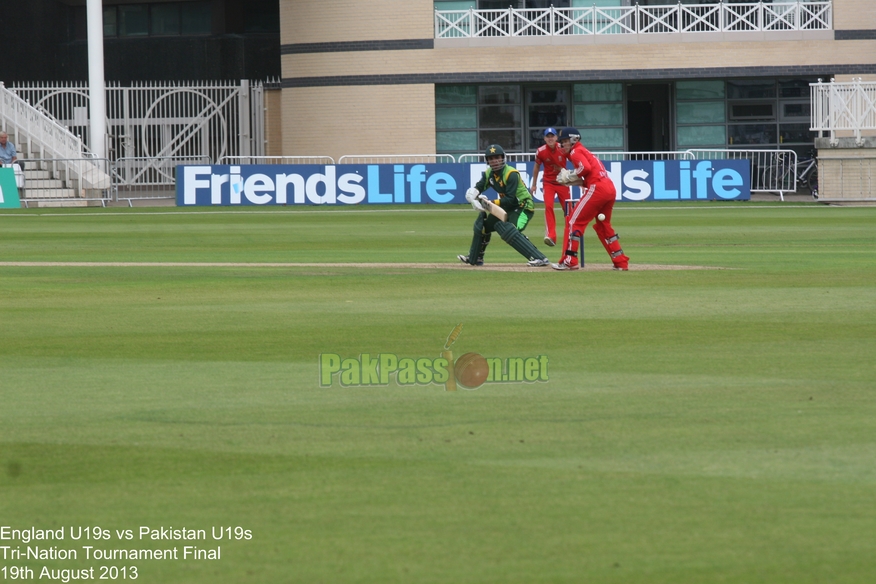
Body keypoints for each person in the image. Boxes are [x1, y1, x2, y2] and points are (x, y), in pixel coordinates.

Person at [458, 144, 550, 267]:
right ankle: (475, 257)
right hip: (507, 207)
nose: (495, 161)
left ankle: (539, 258)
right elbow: (478, 187)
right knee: (482, 225)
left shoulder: (511, 174)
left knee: (508, 229)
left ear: (503, 158)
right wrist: (471, 196)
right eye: (491, 158)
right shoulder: (489, 174)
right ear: (487, 161)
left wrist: (490, 203)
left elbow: (511, 199)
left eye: (497, 157)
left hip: (523, 206)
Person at [553, 127, 629, 271]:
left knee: (574, 221)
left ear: (574, 139)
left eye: (564, 141)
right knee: (603, 225)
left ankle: (570, 260)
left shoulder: (576, 152)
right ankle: (620, 261)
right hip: (609, 189)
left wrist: (570, 175)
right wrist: (578, 181)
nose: (562, 145)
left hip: (597, 189)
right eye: (561, 142)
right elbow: (590, 173)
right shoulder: (585, 151)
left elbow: (585, 168)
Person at [529, 127, 570, 248]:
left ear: (557, 137)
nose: (550, 138)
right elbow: (536, 167)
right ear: (544, 138)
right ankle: (551, 236)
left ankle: (571, 232)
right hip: (549, 183)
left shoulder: (563, 148)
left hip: (562, 182)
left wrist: (579, 180)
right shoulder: (540, 151)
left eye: (552, 136)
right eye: (548, 136)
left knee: (568, 209)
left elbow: (575, 159)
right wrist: (534, 184)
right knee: (548, 206)